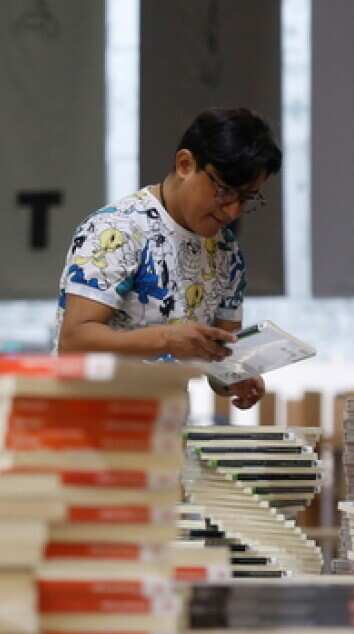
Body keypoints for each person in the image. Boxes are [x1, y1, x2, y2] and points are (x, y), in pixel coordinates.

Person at [54, 108, 282, 410]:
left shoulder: (227, 252)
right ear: (185, 164)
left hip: (166, 430)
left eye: (248, 198)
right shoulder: (118, 229)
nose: (233, 211)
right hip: (89, 425)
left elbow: (222, 353)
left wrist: (236, 377)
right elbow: (74, 340)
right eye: (225, 191)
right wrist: (166, 339)